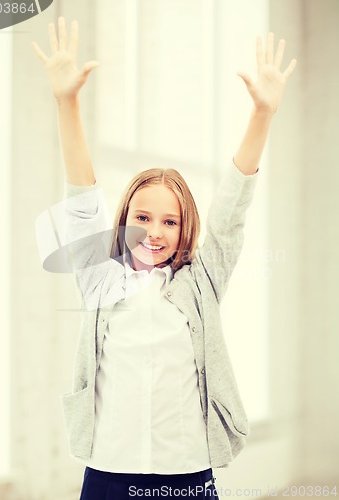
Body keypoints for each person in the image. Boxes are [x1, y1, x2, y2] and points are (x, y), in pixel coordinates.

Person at [32, 16, 297, 500]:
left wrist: (263, 114)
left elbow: (231, 209)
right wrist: (66, 101)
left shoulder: (202, 282)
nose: (154, 232)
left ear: (185, 229)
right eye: (144, 217)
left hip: (186, 472)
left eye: (170, 222)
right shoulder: (100, 279)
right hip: (110, 469)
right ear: (125, 219)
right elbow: (80, 199)